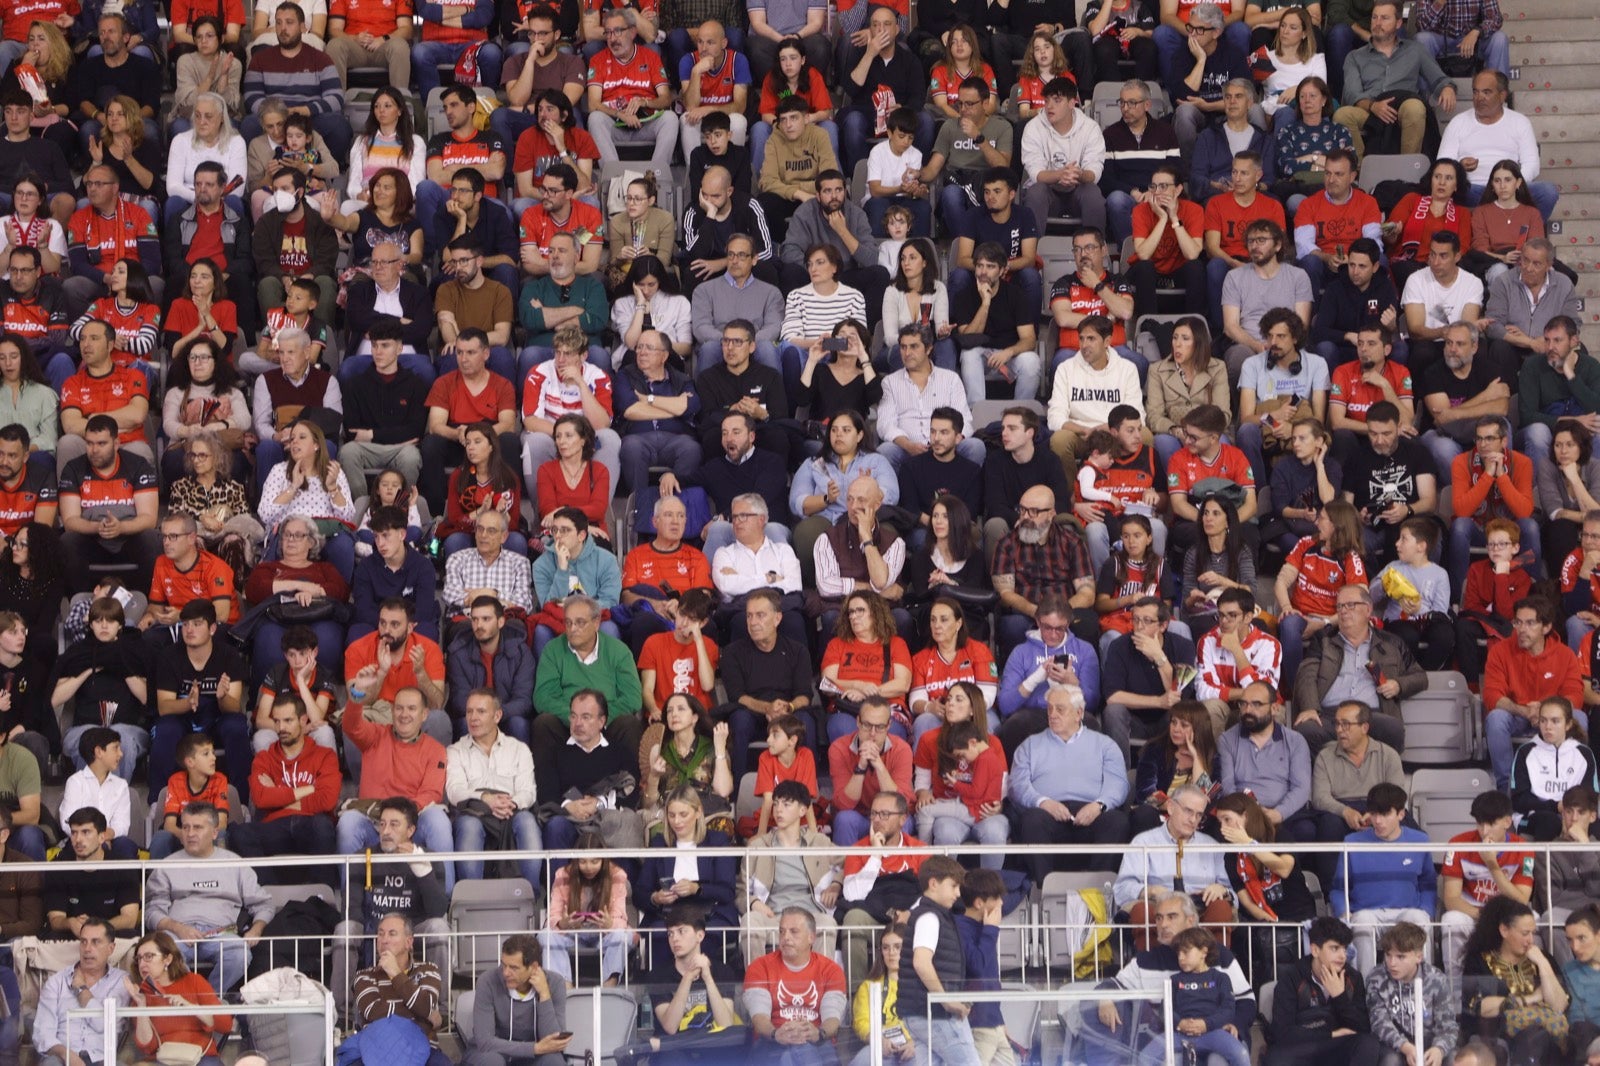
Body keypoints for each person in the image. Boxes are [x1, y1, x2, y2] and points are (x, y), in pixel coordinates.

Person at [1082, 889, 1256, 1066]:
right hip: (1171, 1040)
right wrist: (1105, 999)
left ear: (1190, 921)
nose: (1163, 924)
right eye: (1158, 918)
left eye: (1171, 917)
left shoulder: (1219, 955)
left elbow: (1246, 1001)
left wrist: (1235, 1025)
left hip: (1217, 1034)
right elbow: (1113, 985)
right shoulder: (1145, 960)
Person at [328, 797, 449, 1019]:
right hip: (373, 932)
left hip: (412, 934)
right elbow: (350, 909)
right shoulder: (363, 857)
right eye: (382, 824)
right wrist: (381, 936)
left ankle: (439, 1011)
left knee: (439, 927)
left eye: (394, 824)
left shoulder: (429, 858)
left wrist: (420, 868)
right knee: (345, 928)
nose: (385, 831)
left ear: (411, 830)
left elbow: (437, 909)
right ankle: (341, 1014)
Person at [146, 801, 275, 993]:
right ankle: (191, 1000)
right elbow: (152, 911)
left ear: (215, 832)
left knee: (240, 953)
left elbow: (264, 904)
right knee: (162, 955)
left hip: (221, 933)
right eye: (186, 827)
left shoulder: (234, 864)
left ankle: (206, 1000)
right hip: (178, 932)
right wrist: (178, 928)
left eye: (197, 827)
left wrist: (256, 929)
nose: (190, 834)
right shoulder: (167, 865)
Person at [1008, 684, 1131, 880]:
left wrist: (1098, 805)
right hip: (1047, 814)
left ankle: (1097, 890)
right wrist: (1043, 802)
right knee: (1032, 820)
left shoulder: (1105, 745)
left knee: (1117, 821)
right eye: (1049, 709)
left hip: (1091, 812)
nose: (1053, 714)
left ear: (1079, 713)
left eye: (1060, 709)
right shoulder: (1030, 745)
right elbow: (1017, 786)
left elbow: (1118, 784)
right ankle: (1043, 889)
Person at [1332, 0, 1454, 156]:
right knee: (1341, 115)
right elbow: (1352, 94)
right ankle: (1361, 172)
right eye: (1374, 17)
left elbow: (1438, 78)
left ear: (1398, 23)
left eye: (1384, 18)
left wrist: (1447, 87)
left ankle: (1408, 171)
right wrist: (1373, 106)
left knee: (1415, 107)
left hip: (1403, 107)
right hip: (1370, 110)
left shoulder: (1415, 50)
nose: (1377, 23)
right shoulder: (1355, 56)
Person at [720, 588, 816, 781]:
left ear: (777, 618)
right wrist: (767, 708)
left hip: (788, 712)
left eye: (760, 615)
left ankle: (808, 790)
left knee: (806, 720)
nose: (753, 622)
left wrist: (788, 707)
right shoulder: (732, 653)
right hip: (752, 714)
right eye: (749, 616)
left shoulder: (797, 651)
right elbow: (737, 696)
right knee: (739, 719)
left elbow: (805, 695)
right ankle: (739, 791)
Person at [1460, 897, 1569, 1064]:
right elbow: (1480, 1006)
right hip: (1501, 1034)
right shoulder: (1481, 961)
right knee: (1534, 1037)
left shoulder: (1542, 958)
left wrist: (1542, 963)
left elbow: (1559, 1005)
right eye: (1525, 933)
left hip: (1549, 1035)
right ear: (1504, 930)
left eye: (1533, 933)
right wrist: (1531, 998)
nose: (1530, 940)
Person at [1264, 917, 1380, 1065]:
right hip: (1305, 1048)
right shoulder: (1292, 977)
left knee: (1369, 1044)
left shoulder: (1353, 978)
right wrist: (1330, 1034)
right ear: (1315, 950)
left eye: (1344, 949)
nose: (1342, 956)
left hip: (1338, 1049)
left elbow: (1362, 1029)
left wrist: (1340, 996)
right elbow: (1282, 1032)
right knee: (1275, 1059)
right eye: (1334, 948)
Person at [742, 906, 847, 1066]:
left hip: (817, 1042)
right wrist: (776, 1033)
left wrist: (817, 1033)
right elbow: (759, 1017)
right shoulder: (759, 967)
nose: (786, 937)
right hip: (771, 1041)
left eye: (794, 931)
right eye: (782, 931)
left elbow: (832, 1019)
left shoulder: (831, 970)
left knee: (803, 1050)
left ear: (811, 937)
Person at [584, 8, 678, 176]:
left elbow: (666, 98)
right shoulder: (597, 60)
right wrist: (619, 114)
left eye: (618, 31)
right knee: (595, 118)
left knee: (670, 119)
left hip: (645, 123)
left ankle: (655, 178)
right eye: (608, 33)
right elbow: (593, 104)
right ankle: (615, 180)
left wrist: (645, 102)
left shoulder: (650, 57)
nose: (613, 39)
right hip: (615, 125)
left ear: (633, 32)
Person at [350, 913, 451, 1066]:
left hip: (421, 1047)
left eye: (392, 934)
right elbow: (373, 1013)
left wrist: (395, 973)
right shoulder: (364, 976)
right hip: (377, 1047)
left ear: (408, 942)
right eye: (381, 933)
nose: (384, 940)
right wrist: (424, 1016)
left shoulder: (427, 970)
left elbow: (425, 1005)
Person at [33, 918, 132, 1066]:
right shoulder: (57, 982)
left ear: (111, 948)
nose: (87, 949)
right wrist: (66, 1054)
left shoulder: (122, 981)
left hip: (103, 1059)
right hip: (62, 1058)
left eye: (96, 942)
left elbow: (103, 1024)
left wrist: (81, 989)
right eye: (83, 941)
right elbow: (42, 1034)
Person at [125, 930, 233, 1066]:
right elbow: (147, 1047)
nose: (142, 964)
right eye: (139, 958)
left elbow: (225, 1025)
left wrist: (190, 1007)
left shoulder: (194, 981)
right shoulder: (141, 994)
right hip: (163, 1061)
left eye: (148, 956)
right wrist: (141, 1004)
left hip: (201, 1058)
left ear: (167, 959)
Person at [462, 932, 571, 1066]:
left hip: (533, 1057)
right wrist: (534, 1048)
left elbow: (554, 1042)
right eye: (504, 965)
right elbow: (485, 1042)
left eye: (513, 968)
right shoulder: (487, 981)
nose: (505, 973)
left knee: (554, 1061)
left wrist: (544, 995)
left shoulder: (555, 983)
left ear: (534, 967)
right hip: (492, 1053)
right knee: (492, 1061)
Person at [1020, 76, 1107, 236]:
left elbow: (1094, 172)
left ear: (1071, 103)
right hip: (1048, 193)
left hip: (1077, 192)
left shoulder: (1090, 128)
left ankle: (1096, 251)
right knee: (1036, 192)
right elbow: (1036, 173)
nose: (1049, 106)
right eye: (1046, 101)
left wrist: (1079, 174)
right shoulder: (1033, 128)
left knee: (1092, 193)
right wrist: (1061, 174)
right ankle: (1031, 254)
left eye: (1057, 101)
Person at [1156, 926, 1251, 1066]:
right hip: (1179, 1034)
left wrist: (1206, 1024)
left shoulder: (1221, 978)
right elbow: (1165, 1009)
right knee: (1145, 1055)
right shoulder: (1174, 980)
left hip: (1212, 1032)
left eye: (1185, 952)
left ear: (1203, 952)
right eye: (1178, 953)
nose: (1180, 957)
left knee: (1241, 1054)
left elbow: (1228, 1009)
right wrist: (1180, 1023)